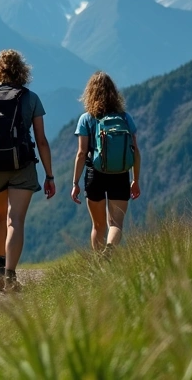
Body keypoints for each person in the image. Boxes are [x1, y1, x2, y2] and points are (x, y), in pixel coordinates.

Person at [0, 50, 56, 293]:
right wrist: (49, 175)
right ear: (22, 70)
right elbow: (42, 141)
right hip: (22, 166)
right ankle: (10, 275)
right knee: (15, 219)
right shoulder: (31, 98)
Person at [71, 71, 141, 256]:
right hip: (120, 174)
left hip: (95, 174)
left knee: (98, 225)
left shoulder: (86, 119)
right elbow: (135, 151)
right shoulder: (125, 118)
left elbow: (81, 153)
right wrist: (136, 180)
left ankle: (99, 266)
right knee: (116, 224)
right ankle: (109, 251)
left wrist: (75, 183)